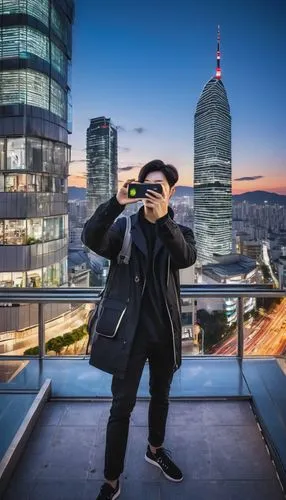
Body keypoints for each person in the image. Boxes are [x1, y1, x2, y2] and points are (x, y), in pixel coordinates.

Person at [81, 159, 196, 500]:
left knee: (161, 397)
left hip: (163, 333)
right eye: (147, 186)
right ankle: (111, 480)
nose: (151, 193)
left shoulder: (178, 230)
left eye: (159, 187)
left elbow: (186, 257)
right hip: (128, 335)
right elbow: (91, 237)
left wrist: (163, 221)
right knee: (122, 408)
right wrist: (116, 202)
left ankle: (155, 449)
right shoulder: (125, 228)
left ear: (171, 193)